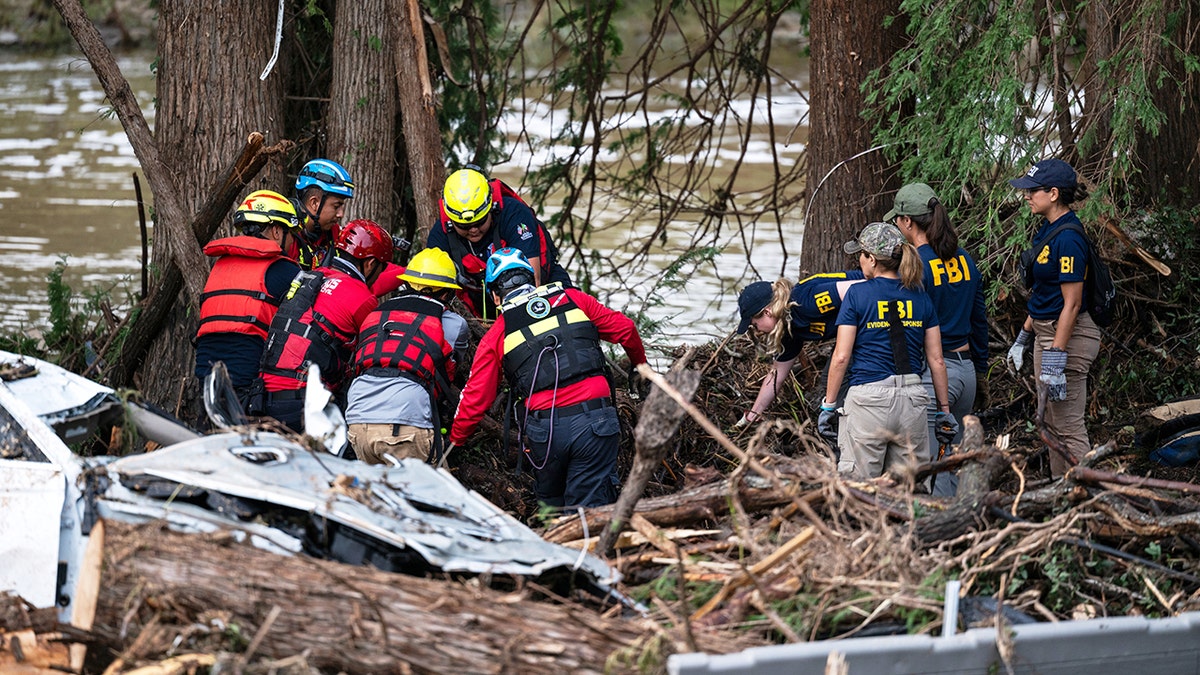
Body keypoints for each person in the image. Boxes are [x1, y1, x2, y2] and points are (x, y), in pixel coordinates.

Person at [448, 248, 646, 508]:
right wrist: (639, 365)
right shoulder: (574, 299)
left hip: (547, 432)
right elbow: (626, 329)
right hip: (597, 422)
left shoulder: (497, 333)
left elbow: (475, 399)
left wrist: (455, 441)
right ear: (534, 280)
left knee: (550, 505)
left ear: (495, 296)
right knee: (590, 507)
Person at [820, 222, 957, 481]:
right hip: (913, 402)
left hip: (868, 403)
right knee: (907, 490)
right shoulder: (920, 296)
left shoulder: (857, 294)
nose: (859, 261)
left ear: (871, 259)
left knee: (858, 490)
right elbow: (937, 360)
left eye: (861, 255)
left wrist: (828, 406)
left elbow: (841, 357)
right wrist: (944, 410)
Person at [886, 182, 988, 495]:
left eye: (897, 221)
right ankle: (959, 528)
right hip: (966, 371)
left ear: (907, 222)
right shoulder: (965, 260)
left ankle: (933, 532)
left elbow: (910, 329)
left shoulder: (915, 266)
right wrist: (981, 371)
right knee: (952, 465)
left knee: (928, 467)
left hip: (934, 376)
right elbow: (979, 319)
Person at [1006, 158, 1101, 477]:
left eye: (1033, 190)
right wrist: (1023, 337)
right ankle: (1061, 496)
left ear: (1054, 193)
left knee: (1069, 426)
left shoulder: (1069, 238)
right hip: (1046, 335)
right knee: (1049, 423)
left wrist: (1057, 356)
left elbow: (1072, 304)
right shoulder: (1048, 230)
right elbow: (1046, 296)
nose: (1026, 196)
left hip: (1069, 339)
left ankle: (1086, 499)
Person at [259, 219, 393, 432]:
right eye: (382, 267)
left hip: (262, 395)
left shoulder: (313, 276)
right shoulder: (362, 298)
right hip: (304, 402)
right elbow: (376, 356)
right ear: (370, 263)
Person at [345, 248, 469, 465]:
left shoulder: (376, 314)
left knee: (378, 496)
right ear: (447, 292)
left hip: (357, 420)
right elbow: (454, 364)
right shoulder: (453, 323)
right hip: (404, 423)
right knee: (435, 495)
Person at [194, 190, 303, 410]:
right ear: (276, 230)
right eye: (290, 233)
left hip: (205, 374)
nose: (292, 241)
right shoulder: (284, 269)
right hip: (249, 376)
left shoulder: (220, 265)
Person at [428, 166, 572, 319]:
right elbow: (432, 289)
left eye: (480, 222)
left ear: (490, 208)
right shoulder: (441, 234)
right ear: (451, 220)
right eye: (464, 226)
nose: (474, 230)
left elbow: (533, 279)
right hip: (481, 304)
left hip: (539, 288)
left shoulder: (514, 214)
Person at [732, 270, 865, 428]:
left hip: (880, 312)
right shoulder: (789, 329)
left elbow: (862, 290)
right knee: (830, 381)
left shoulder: (806, 300)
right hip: (857, 329)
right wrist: (753, 415)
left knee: (838, 380)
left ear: (767, 312)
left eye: (755, 324)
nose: (757, 330)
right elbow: (777, 375)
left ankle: (848, 432)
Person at [289, 158, 355, 269]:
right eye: (336, 206)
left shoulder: (334, 234)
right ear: (314, 203)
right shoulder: (286, 235)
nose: (341, 214)